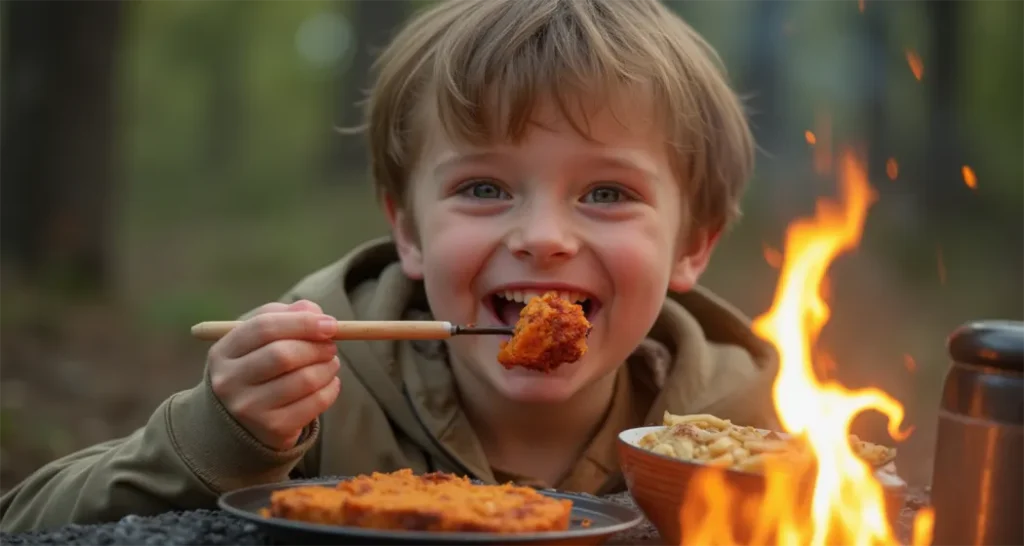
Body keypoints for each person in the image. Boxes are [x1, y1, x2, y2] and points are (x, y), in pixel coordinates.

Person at [0, 0, 780, 533]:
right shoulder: (311, 406)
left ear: (693, 246)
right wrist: (216, 442)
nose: (544, 237)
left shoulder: (748, 439)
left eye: (607, 192)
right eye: (483, 187)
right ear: (407, 228)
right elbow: (26, 520)